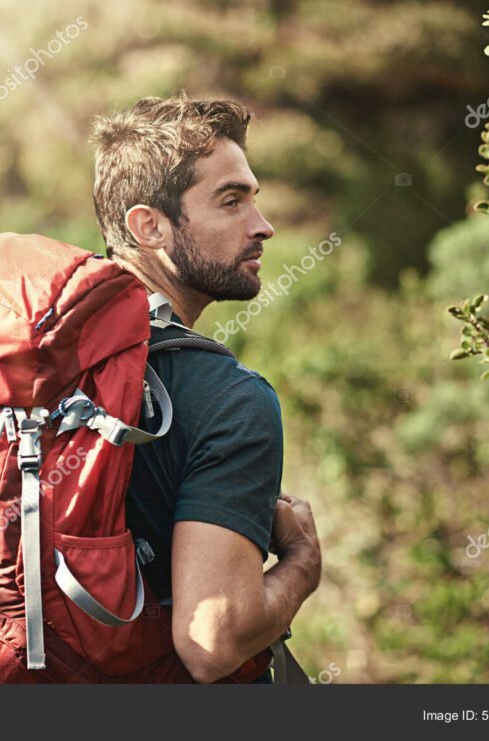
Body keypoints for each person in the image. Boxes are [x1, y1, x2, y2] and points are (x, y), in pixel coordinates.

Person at [90, 94, 321, 683]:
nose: (262, 226)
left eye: (254, 199)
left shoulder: (22, 353)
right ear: (150, 226)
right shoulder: (232, 400)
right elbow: (211, 645)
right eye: (231, 201)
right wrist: (300, 565)